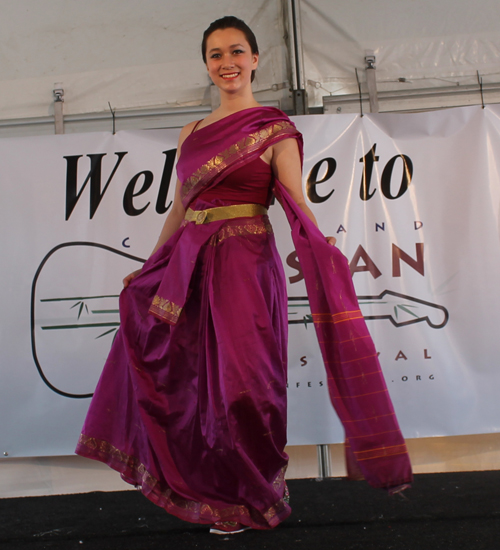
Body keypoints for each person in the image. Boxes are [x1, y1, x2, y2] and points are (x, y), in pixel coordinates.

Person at [76, 15, 412, 535]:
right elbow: (178, 210)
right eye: (215, 54)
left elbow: (296, 201)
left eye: (236, 52)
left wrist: (322, 248)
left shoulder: (276, 128)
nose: (227, 63)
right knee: (193, 383)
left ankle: (259, 492)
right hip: (189, 267)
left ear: (255, 59)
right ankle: (219, 499)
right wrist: (150, 267)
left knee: (245, 385)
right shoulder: (191, 132)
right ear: (207, 65)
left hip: (245, 265)